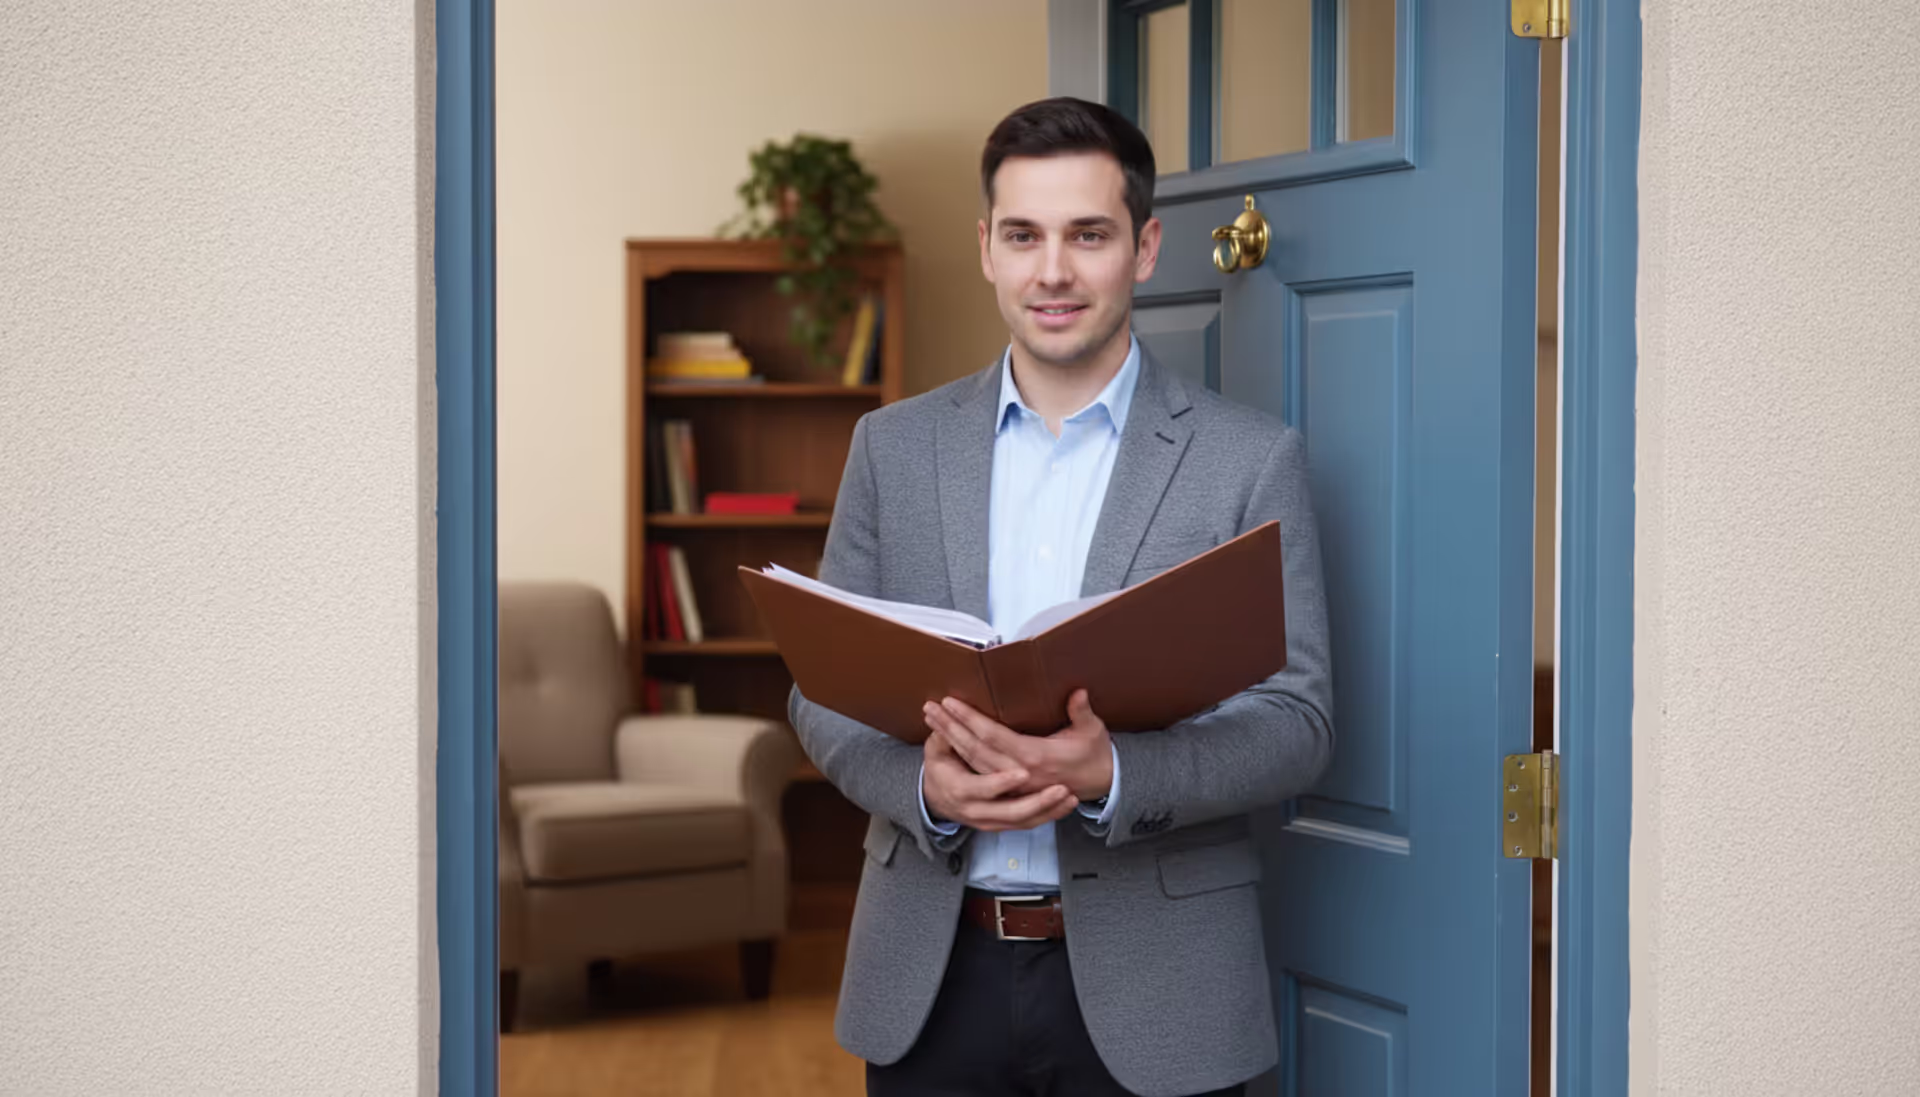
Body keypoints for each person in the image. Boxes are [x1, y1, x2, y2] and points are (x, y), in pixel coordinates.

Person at [788, 96, 1333, 1097]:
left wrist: (1116, 768)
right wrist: (926, 791)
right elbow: (817, 690)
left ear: (1145, 246)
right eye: (1023, 234)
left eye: (1088, 234)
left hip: (1167, 989)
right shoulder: (892, 448)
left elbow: (1297, 722)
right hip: (929, 979)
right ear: (987, 248)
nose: (1052, 270)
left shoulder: (1251, 460)